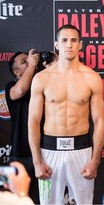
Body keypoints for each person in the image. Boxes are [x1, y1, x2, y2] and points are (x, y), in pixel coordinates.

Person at [28, 24, 104, 204]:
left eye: (73, 40)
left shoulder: (91, 77)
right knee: (48, 202)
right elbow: (33, 121)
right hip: (49, 151)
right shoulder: (42, 78)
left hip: (81, 150)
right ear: (57, 44)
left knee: (84, 202)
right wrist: (37, 161)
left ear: (80, 45)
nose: (69, 45)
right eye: (64, 40)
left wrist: (95, 161)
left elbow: (100, 120)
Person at [5, 49, 41, 204]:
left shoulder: (42, 84)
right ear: (17, 72)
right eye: (24, 61)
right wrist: (32, 66)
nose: (30, 61)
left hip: (44, 154)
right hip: (21, 155)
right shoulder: (11, 86)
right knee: (20, 200)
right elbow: (20, 90)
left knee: (44, 200)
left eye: (30, 59)